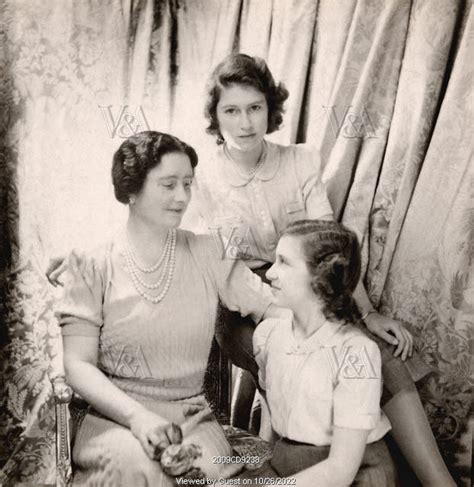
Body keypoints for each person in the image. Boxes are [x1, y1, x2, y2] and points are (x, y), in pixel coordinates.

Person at [193, 53, 454, 485]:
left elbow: (329, 249)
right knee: (292, 349)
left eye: (255, 107)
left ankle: (437, 481)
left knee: (376, 352)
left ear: (270, 108)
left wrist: (365, 313)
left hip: (313, 285)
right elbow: (229, 276)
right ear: (215, 116)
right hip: (244, 305)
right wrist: (289, 315)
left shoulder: (300, 161)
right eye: (231, 110)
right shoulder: (202, 182)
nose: (245, 123)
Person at [55, 131, 277, 486]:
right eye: (168, 185)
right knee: (143, 470)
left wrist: (344, 325)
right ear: (130, 190)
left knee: (201, 476)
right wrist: (138, 418)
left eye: (187, 184)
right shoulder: (89, 264)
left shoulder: (211, 252)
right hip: (111, 417)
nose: (182, 197)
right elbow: (77, 364)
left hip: (190, 418)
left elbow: (273, 309)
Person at [239, 220, 397, 485]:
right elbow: (280, 424)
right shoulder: (269, 336)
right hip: (287, 466)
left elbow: (340, 471)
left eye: (284, 262)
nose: (269, 274)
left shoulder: (355, 353)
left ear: (321, 278)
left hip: (354, 474)